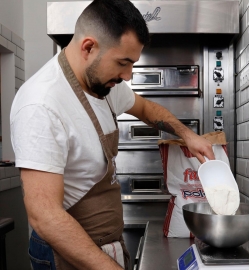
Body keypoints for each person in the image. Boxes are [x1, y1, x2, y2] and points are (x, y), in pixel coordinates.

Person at [10, 0, 215, 269]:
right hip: (68, 256)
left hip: (105, 245)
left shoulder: (103, 84)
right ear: (88, 47)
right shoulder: (41, 105)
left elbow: (144, 108)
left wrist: (186, 134)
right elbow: (45, 216)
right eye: (123, 62)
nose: (128, 75)